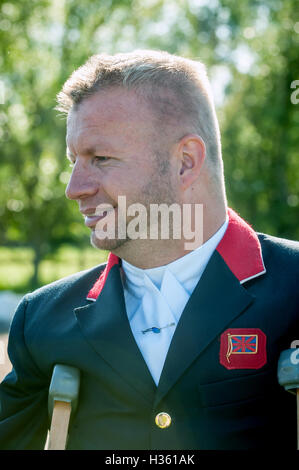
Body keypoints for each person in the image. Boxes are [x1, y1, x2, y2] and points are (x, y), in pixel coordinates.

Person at [0, 50, 298, 450]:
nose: (74, 188)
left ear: (186, 162)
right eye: (74, 160)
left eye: (100, 158)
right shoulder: (41, 320)